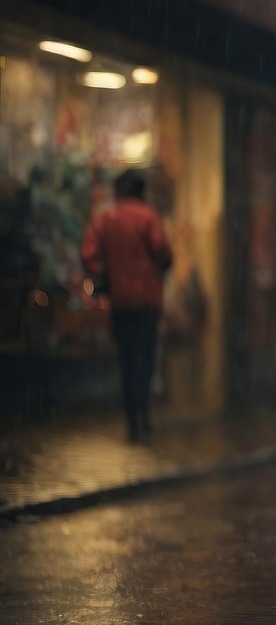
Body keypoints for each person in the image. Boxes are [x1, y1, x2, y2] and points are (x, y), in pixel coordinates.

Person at [82, 169, 173, 440]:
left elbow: (89, 254)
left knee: (126, 359)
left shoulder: (105, 218)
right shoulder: (148, 216)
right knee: (145, 359)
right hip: (147, 299)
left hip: (120, 301)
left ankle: (131, 418)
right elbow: (163, 253)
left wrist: (106, 274)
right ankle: (144, 415)